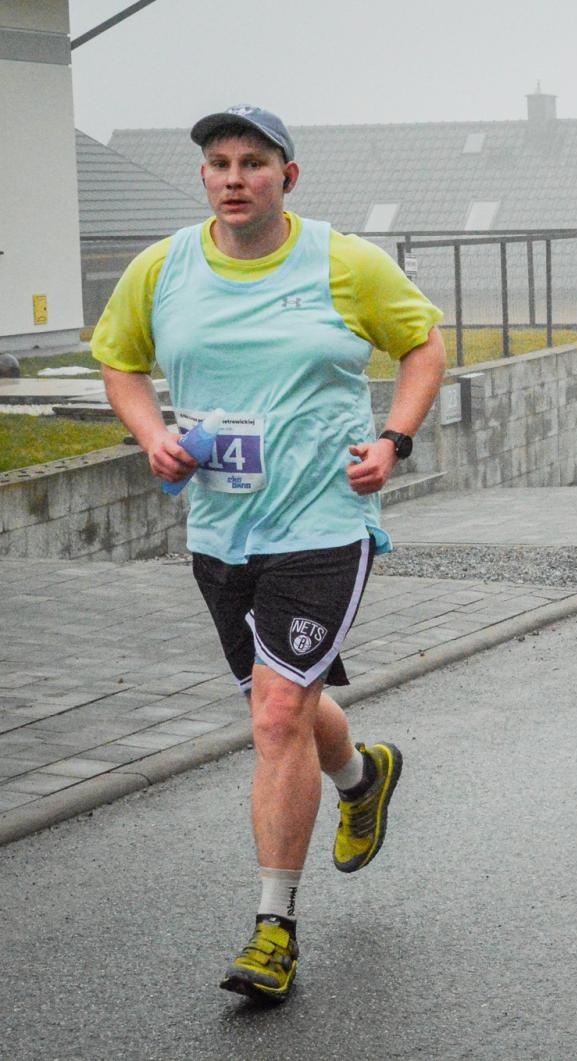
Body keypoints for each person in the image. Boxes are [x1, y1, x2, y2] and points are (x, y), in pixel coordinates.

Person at [93, 105, 447, 1002]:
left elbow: (422, 343)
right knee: (281, 703)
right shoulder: (161, 268)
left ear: (287, 177)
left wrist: (393, 440)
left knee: (278, 714)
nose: (234, 177)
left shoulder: (343, 261)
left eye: (253, 162)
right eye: (219, 163)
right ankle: (362, 777)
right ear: (204, 177)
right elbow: (119, 360)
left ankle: (273, 930)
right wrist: (151, 434)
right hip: (221, 530)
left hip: (324, 522)